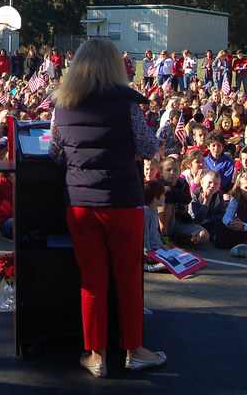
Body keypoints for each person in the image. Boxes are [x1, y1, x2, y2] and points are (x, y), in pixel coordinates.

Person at [47, 38, 165, 378]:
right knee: (128, 279)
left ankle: (96, 355)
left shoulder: (63, 105)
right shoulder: (127, 105)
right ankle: (135, 350)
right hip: (123, 203)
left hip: (81, 204)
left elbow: (57, 153)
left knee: (92, 281)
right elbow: (147, 145)